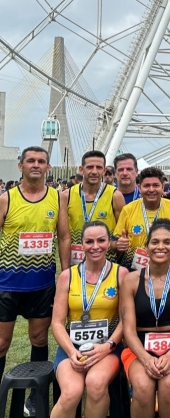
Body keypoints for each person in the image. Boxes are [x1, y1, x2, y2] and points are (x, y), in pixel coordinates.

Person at [0, 146, 70, 415]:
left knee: (39, 339)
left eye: (42, 161)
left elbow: (63, 237)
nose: (36, 165)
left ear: (48, 167)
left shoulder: (57, 198)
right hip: (7, 284)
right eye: (30, 160)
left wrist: (65, 273)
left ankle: (33, 398)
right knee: (2, 343)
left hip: (41, 285)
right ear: (21, 166)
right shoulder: (7, 199)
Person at [119, 218, 170, 418]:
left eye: (166, 242)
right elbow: (128, 330)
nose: (160, 247)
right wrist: (145, 360)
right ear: (146, 246)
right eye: (155, 242)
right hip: (139, 348)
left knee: (169, 383)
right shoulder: (131, 280)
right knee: (143, 386)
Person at [51, 221, 128, 418]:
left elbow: (125, 320)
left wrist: (108, 346)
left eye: (101, 240)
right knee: (71, 392)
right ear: (82, 244)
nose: (95, 246)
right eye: (89, 241)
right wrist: (71, 351)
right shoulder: (67, 276)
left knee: (95, 383)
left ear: (109, 242)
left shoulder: (121, 274)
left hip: (108, 347)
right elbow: (57, 323)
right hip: (73, 346)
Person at [113, 167, 170, 271]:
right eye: (146, 186)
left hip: (165, 269)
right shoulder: (128, 209)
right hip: (134, 269)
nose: (151, 189)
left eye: (156, 185)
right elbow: (115, 242)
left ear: (163, 187)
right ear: (139, 187)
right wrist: (119, 245)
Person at [64, 150, 125, 266]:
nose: (94, 171)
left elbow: (121, 235)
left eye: (99, 167)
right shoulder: (67, 196)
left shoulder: (115, 196)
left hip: (106, 266)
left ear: (104, 170)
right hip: (76, 265)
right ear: (81, 169)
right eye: (90, 167)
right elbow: (63, 237)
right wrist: (65, 269)